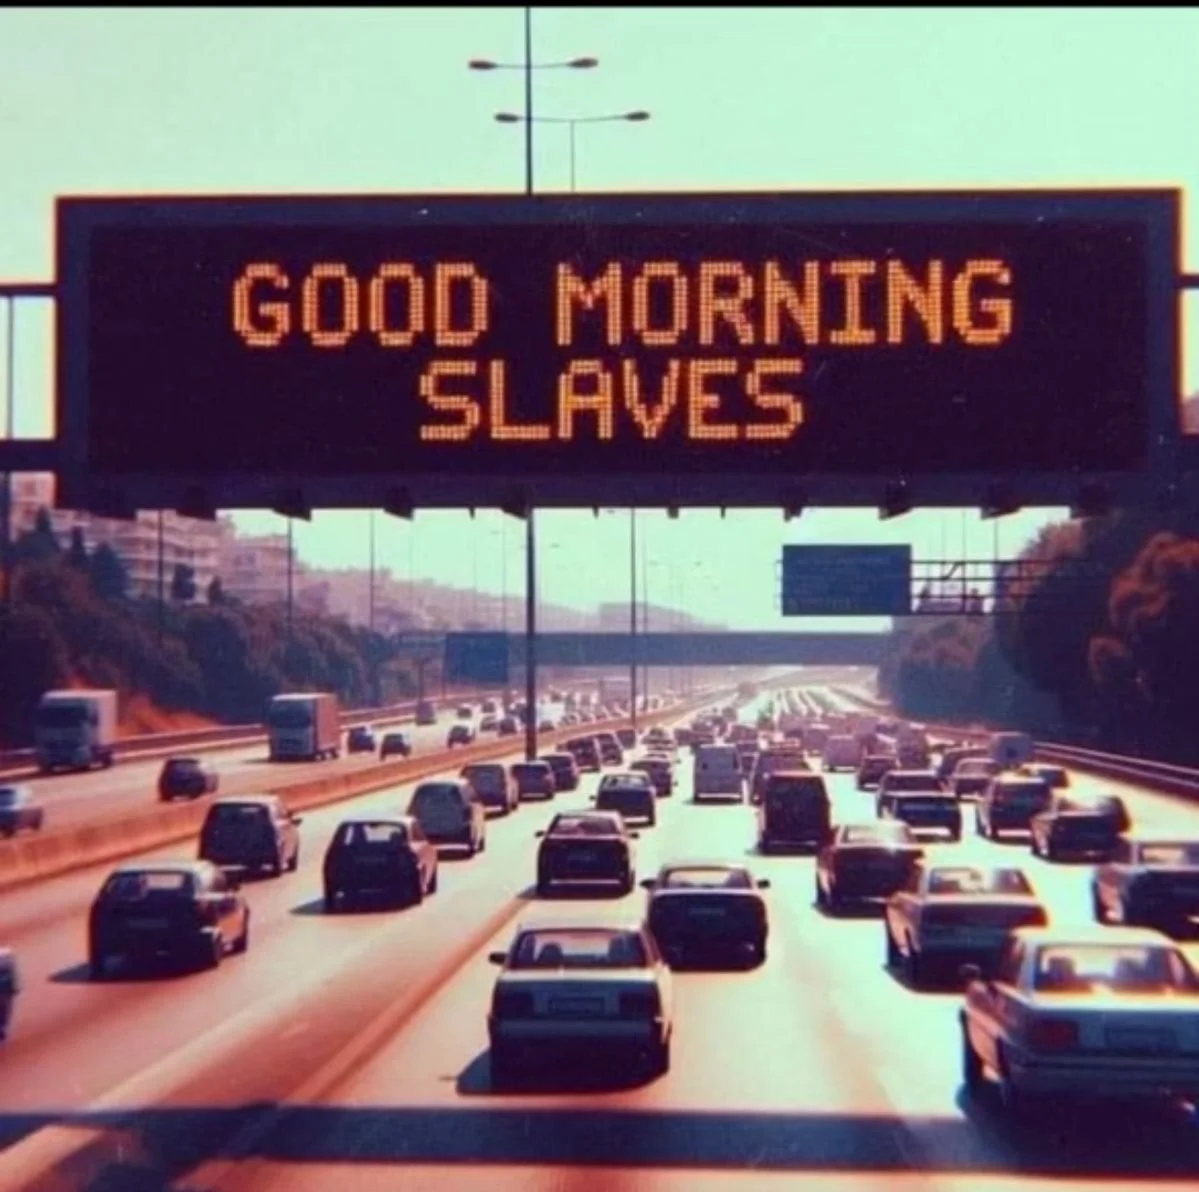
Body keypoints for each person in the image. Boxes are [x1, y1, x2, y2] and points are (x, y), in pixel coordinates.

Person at [0, 948, 17, 1041]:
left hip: (5, 991)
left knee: (4, 1010)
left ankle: (1, 1030)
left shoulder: (6, 956)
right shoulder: (7, 957)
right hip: (6, 991)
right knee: (4, 1010)